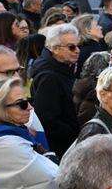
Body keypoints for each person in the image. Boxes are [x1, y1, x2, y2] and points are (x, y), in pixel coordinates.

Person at [29, 23, 82, 158]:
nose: (77, 50)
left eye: (78, 46)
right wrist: (75, 133)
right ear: (55, 49)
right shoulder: (49, 77)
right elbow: (47, 119)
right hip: (62, 148)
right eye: (71, 47)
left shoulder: (62, 67)